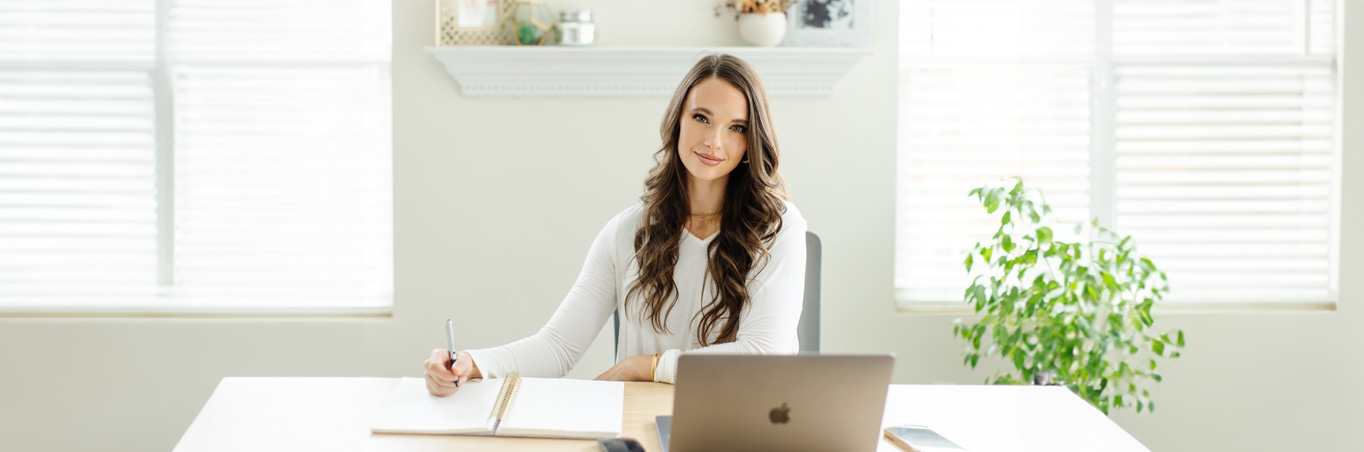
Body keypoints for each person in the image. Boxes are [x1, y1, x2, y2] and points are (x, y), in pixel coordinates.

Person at [423, 53, 807, 396]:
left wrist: (646, 366)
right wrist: (473, 364)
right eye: (701, 118)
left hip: (741, 423)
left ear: (751, 141)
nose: (713, 141)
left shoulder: (779, 228)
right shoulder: (629, 231)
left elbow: (763, 354)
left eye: (736, 127)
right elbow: (557, 346)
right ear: (677, 122)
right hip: (640, 424)